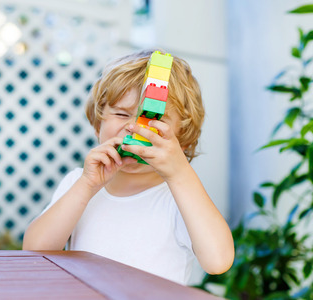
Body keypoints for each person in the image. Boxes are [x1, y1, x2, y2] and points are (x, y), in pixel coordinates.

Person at [23, 49, 234, 285]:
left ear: (182, 139)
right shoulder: (78, 184)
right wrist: (86, 186)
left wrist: (180, 173)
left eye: (154, 120)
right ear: (98, 125)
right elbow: (34, 251)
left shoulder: (180, 198)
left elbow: (218, 261)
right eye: (122, 114)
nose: (134, 128)